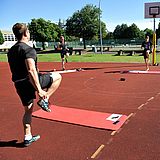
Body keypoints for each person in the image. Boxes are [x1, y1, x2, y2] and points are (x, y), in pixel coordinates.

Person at [7, 23, 62, 147]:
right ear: (26, 33)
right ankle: (46, 99)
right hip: (30, 81)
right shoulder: (28, 49)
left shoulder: (11, 51)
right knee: (58, 76)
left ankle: (27, 137)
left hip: (19, 84)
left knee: (28, 111)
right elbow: (31, 70)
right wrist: (40, 91)